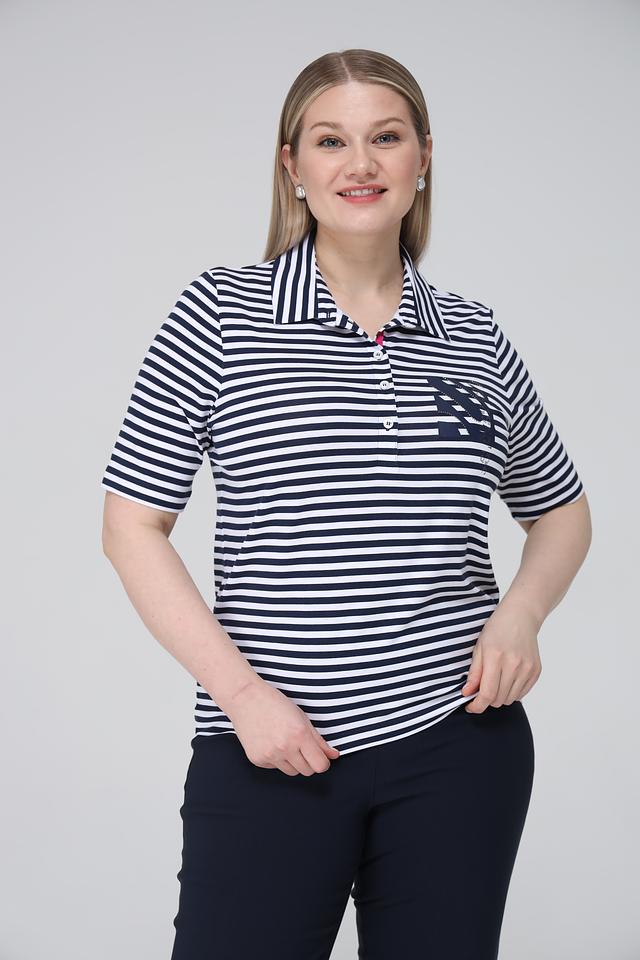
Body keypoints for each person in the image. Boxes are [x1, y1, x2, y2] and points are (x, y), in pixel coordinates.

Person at [100, 48, 592, 960]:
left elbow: (560, 509)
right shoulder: (220, 314)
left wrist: (521, 616)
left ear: (423, 157)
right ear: (292, 164)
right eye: (331, 141)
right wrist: (243, 697)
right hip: (270, 744)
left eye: (386, 138)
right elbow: (132, 526)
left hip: (459, 745)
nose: (360, 163)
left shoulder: (473, 334)